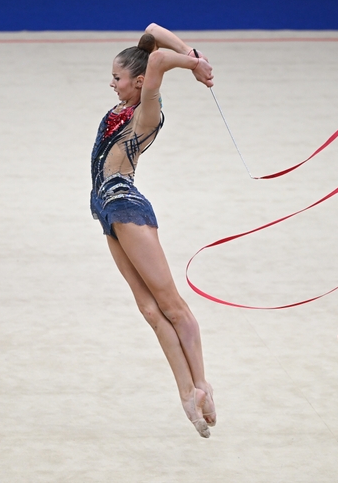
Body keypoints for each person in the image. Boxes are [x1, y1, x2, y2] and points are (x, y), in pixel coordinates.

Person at [89, 23, 216, 438]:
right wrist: (190, 51)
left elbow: (159, 58)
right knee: (148, 310)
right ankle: (187, 396)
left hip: (126, 204)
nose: (112, 84)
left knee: (171, 305)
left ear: (140, 82)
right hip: (107, 211)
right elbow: (152, 34)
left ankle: (203, 384)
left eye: (117, 78)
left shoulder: (147, 111)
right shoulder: (126, 103)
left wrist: (192, 63)